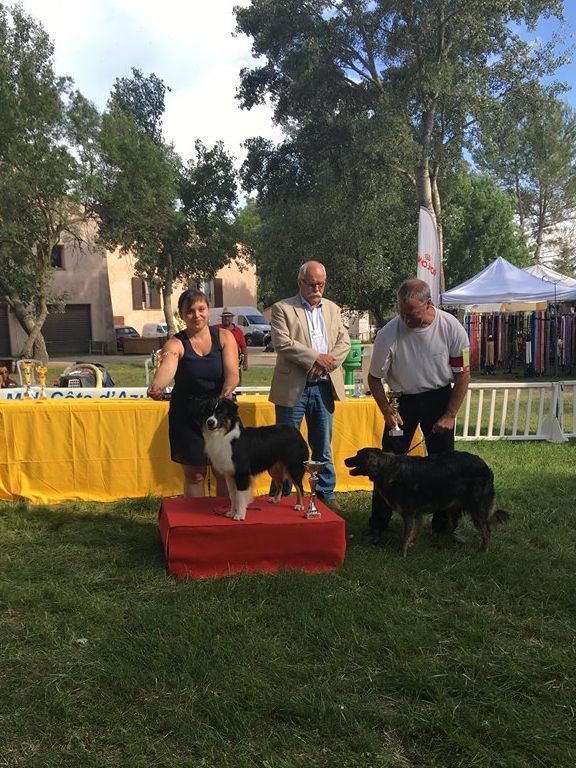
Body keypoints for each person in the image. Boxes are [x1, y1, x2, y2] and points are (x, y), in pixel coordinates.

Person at [367, 278, 470, 542]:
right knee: (386, 463)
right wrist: (387, 411)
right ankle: (378, 526)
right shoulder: (388, 334)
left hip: (439, 398)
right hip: (402, 402)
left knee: (445, 465)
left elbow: (463, 374)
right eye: (401, 313)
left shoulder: (452, 328)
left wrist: (450, 415)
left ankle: (444, 528)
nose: (406, 319)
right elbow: (374, 378)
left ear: (428, 304)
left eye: (411, 314)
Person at [269, 260, 351, 510]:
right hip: (293, 387)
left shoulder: (334, 309)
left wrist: (325, 364)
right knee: (284, 443)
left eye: (321, 284)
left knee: (322, 443)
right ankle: (282, 491)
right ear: (300, 283)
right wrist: (315, 358)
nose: (317, 289)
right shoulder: (282, 308)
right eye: (312, 284)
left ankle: (325, 490)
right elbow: (282, 343)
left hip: (324, 386)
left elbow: (344, 343)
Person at [147, 289, 239, 497]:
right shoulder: (175, 343)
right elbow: (168, 365)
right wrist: (157, 385)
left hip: (220, 413)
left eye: (201, 309)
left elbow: (233, 373)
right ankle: (194, 516)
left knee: (223, 472)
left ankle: (226, 514)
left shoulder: (225, 337)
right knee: (195, 475)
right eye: (190, 311)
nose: (196, 315)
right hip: (187, 416)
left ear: (208, 310)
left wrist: (227, 390)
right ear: (181, 315)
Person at [214, 308, 248, 381]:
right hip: (219, 362)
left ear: (232, 318)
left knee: (235, 382)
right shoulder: (215, 329)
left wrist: (245, 361)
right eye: (225, 317)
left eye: (229, 316)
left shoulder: (238, 331)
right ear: (222, 318)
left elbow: (243, 347)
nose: (226, 318)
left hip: (235, 362)